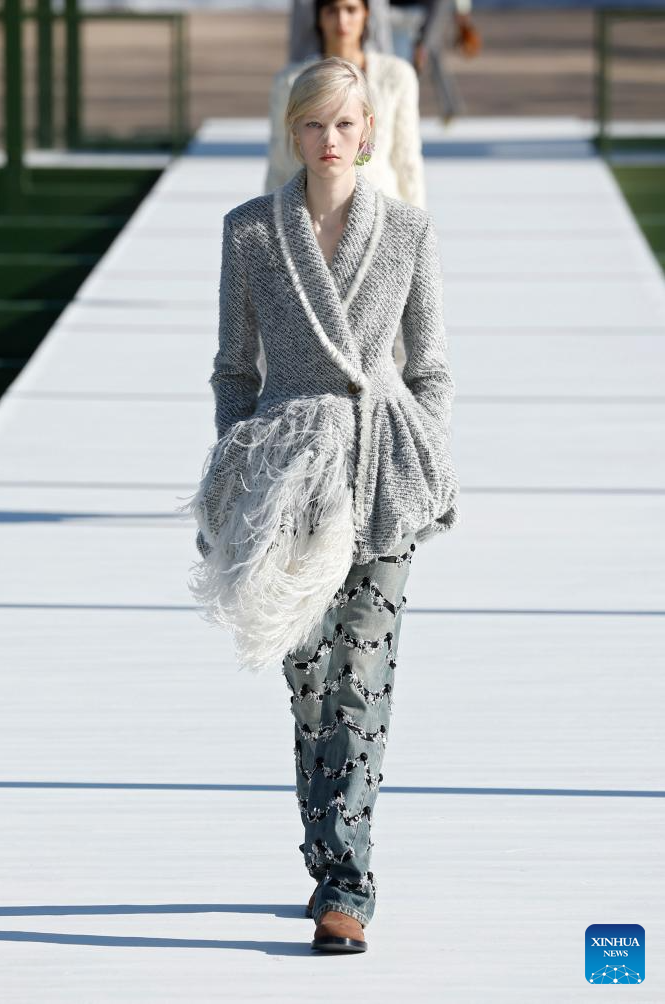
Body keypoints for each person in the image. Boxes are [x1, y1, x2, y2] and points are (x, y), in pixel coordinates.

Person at [181, 56, 459, 953]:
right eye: (313, 123)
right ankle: (325, 848)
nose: (329, 139)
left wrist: (425, 451)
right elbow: (233, 369)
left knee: (361, 675)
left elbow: (429, 367)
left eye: (344, 123)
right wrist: (240, 466)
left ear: (368, 131)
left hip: (380, 470)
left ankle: (348, 883)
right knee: (307, 681)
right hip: (286, 479)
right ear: (292, 131)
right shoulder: (251, 233)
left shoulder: (408, 231)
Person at [265, 0, 426, 210]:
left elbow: (407, 159)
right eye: (332, 11)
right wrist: (271, 219)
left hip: (383, 210)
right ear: (319, 17)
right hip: (310, 213)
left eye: (351, 10)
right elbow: (280, 162)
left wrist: (418, 220)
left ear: (366, 13)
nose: (342, 20)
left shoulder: (396, 76)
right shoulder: (290, 82)